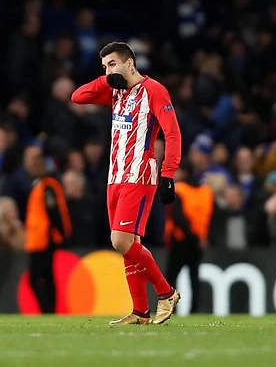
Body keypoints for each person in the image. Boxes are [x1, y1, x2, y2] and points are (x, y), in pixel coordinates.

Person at [71, 41, 181, 325]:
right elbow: (77, 96)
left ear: (129, 63)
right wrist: (106, 80)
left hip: (139, 174)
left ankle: (166, 292)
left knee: (120, 240)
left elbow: (172, 134)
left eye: (112, 65)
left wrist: (169, 174)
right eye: (104, 67)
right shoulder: (114, 89)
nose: (108, 71)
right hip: (115, 175)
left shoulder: (154, 90)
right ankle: (140, 312)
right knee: (129, 243)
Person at [23, 144, 72, 314]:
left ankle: (48, 310)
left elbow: (54, 213)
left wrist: (60, 235)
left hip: (44, 239)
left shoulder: (47, 186)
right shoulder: (41, 185)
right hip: (38, 238)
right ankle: (50, 310)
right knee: (46, 276)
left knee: (36, 278)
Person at [164, 163, 213, 313]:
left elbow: (178, 217)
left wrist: (192, 236)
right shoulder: (207, 191)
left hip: (181, 240)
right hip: (199, 242)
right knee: (194, 278)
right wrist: (203, 238)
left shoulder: (179, 189)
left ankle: (170, 309)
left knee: (171, 278)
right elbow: (213, 216)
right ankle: (194, 310)